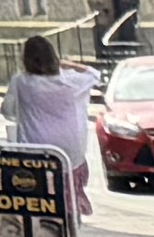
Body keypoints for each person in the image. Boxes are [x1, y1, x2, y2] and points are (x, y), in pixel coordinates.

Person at [7, 35, 97, 220]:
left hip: (36, 151)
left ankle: (46, 230)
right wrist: (66, 63)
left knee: (40, 199)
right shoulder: (71, 81)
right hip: (70, 150)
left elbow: (8, 110)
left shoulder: (21, 81)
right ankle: (70, 228)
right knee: (68, 197)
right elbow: (94, 74)